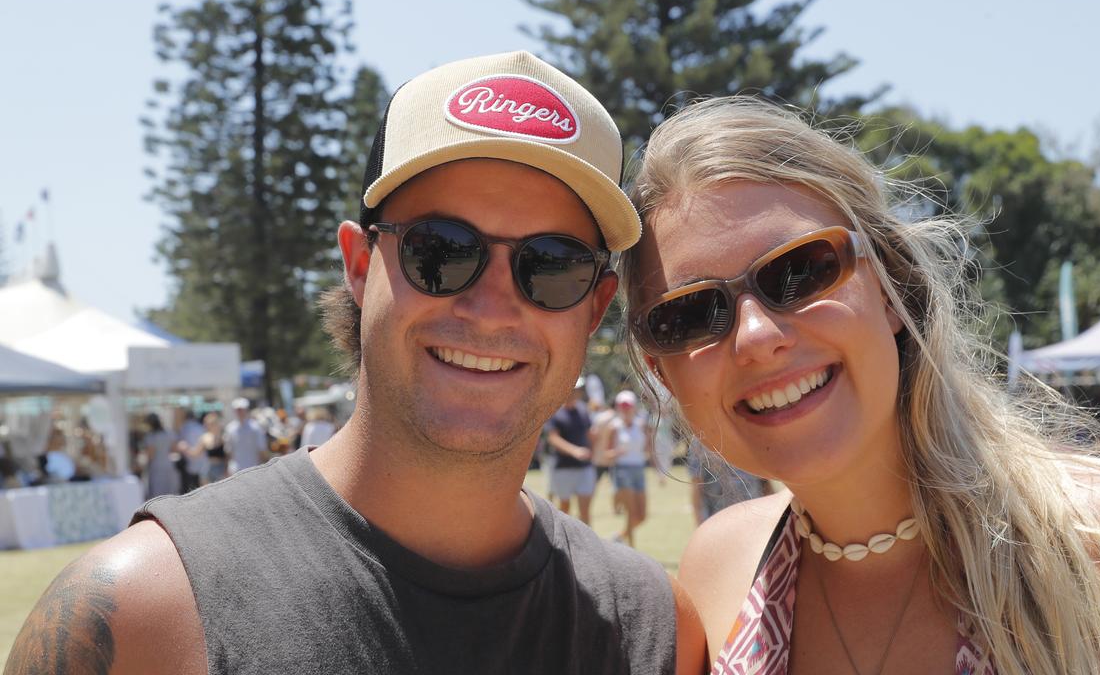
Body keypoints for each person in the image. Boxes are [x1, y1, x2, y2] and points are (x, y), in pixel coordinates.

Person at [6, 51, 700, 674]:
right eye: (441, 251)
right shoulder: (140, 617)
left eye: (551, 266)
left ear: (594, 303)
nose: (491, 309)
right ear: (360, 267)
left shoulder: (656, 632)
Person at [618, 97, 1100, 674]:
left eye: (799, 271)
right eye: (691, 315)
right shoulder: (716, 573)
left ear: (887, 286)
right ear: (662, 371)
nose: (757, 335)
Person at [600, 390, 653, 546]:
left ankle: (618, 538)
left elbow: (648, 448)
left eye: (628, 406)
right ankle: (632, 548)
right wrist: (617, 452)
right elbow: (606, 454)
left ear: (634, 407)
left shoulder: (641, 425)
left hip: (639, 469)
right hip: (622, 470)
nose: (625, 409)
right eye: (622, 406)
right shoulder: (614, 427)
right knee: (630, 513)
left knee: (642, 515)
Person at [546, 378, 597, 523]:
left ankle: (587, 545)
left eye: (578, 390)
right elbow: (553, 438)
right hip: (563, 468)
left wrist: (593, 449)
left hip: (584, 468)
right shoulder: (555, 411)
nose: (576, 393)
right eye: (573, 389)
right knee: (564, 509)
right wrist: (575, 451)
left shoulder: (583, 410)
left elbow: (590, 434)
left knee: (585, 511)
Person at [223, 396, 269, 474]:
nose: (239, 412)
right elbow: (229, 451)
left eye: (241, 410)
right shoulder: (230, 429)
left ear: (246, 410)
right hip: (236, 470)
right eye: (237, 410)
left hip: (253, 469)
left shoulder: (256, 427)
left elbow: (262, 449)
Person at [175, 407, 206, 493]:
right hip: (201, 464)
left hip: (190, 462)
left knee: (189, 490)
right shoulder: (201, 427)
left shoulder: (184, 427)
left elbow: (180, 444)